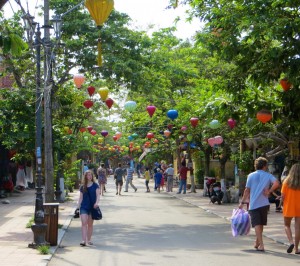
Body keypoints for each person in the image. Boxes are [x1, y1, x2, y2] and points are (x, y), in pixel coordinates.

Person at [239, 157, 279, 252]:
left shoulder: (251, 175)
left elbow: (247, 190)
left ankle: (261, 244)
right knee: (261, 224)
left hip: (254, 204)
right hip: (265, 203)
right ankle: (257, 242)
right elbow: (277, 183)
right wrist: (269, 191)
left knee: (257, 224)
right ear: (265, 166)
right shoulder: (268, 175)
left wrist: (243, 202)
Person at [281, 163, 300, 254]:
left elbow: (283, 196)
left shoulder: (286, 181)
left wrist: (280, 204)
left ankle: (291, 242)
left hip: (289, 206)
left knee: (287, 225)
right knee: (298, 228)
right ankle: (296, 249)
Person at [77, 170, 100, 246]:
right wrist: (78, 206)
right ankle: (83, 241)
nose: (89, 176)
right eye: (87, 175)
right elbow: (80, 198)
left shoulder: (95, 185)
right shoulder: (82, 186)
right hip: (84, 206)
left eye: (90, 175)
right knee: (84, 223)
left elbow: (98, 196)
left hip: (92, 207)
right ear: (85, 176)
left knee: (90, 224)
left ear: (92, 176)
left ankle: (89, 240)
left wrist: (96, 203)